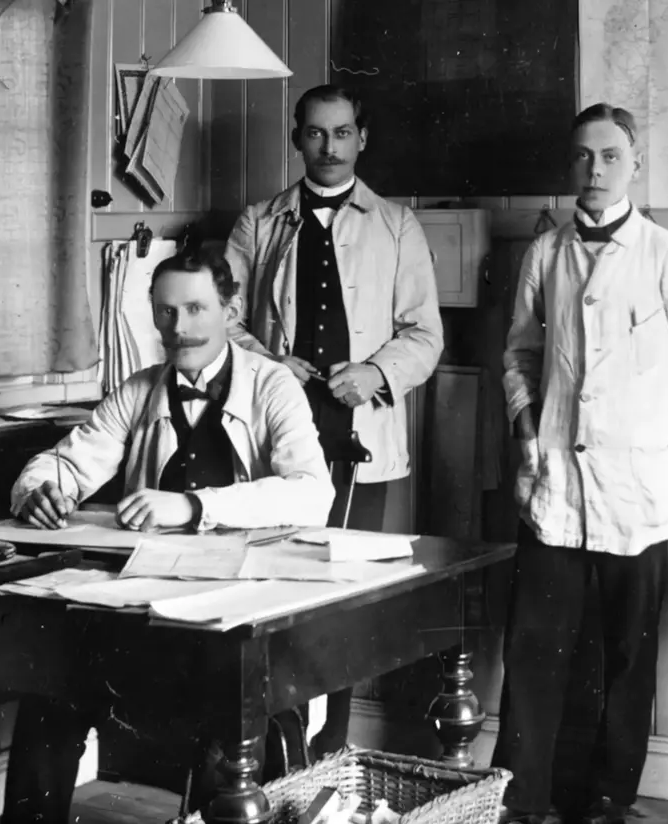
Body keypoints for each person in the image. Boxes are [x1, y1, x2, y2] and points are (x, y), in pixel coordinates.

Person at [0, 247, 335, 824]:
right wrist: (40, 490)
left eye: (196, 309)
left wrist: (192, 505)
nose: (178, 328)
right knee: (49, 694)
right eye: (165, 312)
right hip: (147, 613)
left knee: (230, 729)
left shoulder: (273, 385)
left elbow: (312, 493)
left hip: (239, 617)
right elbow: (66, 462)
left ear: (230, 311)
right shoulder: (139, 390)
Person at [493, 103, 668, 824]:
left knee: (627, 653)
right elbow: (519, 352)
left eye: (610, 157)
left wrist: (663, 444)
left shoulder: (666, 254)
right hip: (556, 484)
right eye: (582, 156)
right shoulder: (546, 252)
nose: (594, 170)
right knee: (535, 647)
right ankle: (522, 795)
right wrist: (526, 419)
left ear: (634, 165)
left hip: (638, 489)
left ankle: (608, 797)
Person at [224, 83, 443, 757]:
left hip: (359, 432)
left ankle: (328, 759)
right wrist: (270, 364)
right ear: (298, 138)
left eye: (342, 132)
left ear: (361, 139)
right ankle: (269, 760)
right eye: (316, 133)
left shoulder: (396, 225)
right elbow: (222, 321)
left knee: (342, 598)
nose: (329, 146)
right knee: (271, 593)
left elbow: (424, 335)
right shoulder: (259, 222)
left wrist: (374, 373)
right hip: (280, 425)